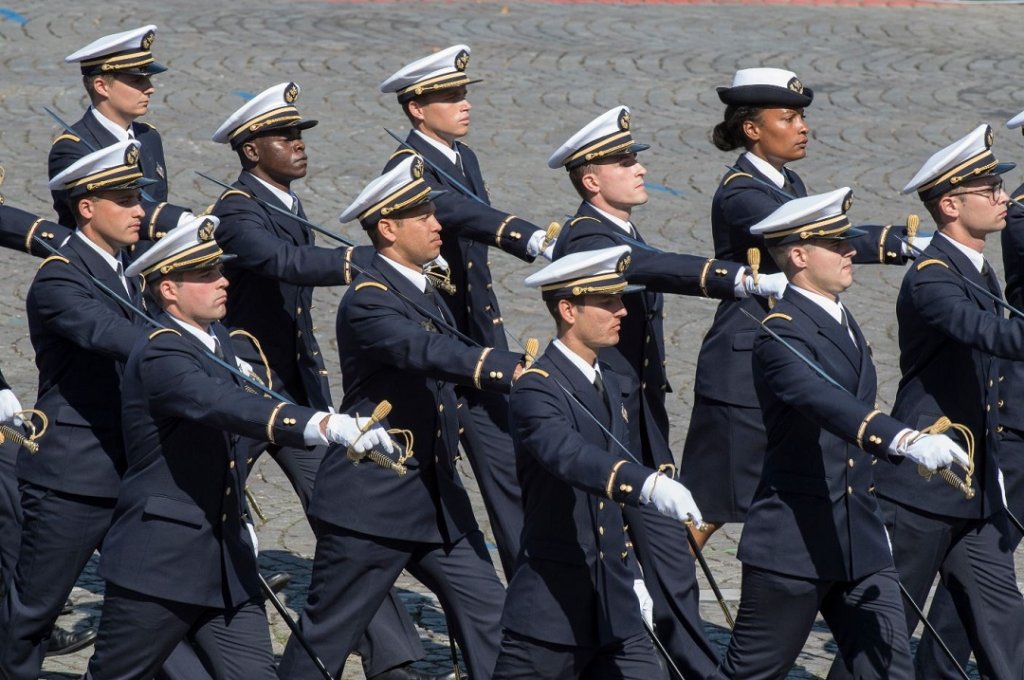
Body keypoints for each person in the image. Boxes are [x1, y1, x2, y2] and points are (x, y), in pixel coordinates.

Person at [81, 216, 390, 679]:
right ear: (169, 289)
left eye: (219, 271)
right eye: (206, 275)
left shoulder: (219, 342)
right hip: (162, 561)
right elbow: (221, 405)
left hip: (226, 558)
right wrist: (323, 423)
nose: (223, 281)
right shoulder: (161, 354)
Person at [547, 104, 784, 679]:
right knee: (609, 559)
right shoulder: (588, 237)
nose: (638, 168)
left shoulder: (618, 228)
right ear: (590, 180)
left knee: (668, 565)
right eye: (623, 161)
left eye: (635, 158)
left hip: (637, 419)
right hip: (602, 420)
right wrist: (740, 278)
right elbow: (652, 266)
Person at [210, 81, 435, 680]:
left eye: (301, 134)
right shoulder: (236, 210)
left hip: (297, 395)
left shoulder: (286, 203)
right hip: (243, 388)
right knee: (206, 506)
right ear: (252, 151)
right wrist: (367, 260)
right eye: (285, 137)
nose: (299, 145)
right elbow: (281, 264)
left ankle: (391, 661)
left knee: (348, 517)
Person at [278, 154, 521, 680]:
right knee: (327, 637)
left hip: (435, 498)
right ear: (387, 228)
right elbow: (424, 352)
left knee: (490, 612)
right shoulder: (369, 301)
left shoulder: (422, 286)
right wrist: (501, 368)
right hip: (372, 502)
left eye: (435, 213)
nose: (438, 224)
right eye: (423, 217)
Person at [712, 187, 968, 678]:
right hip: (793, 544)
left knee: (890, 668)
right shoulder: (780, 331)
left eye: (848, 242)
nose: (852, 250)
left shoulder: (837, 316)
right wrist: (904, 440)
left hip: (858, 538)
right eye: (838, 245)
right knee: (754, 671)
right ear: (800, 256)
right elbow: (825, 401)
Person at [680, 67, 926, 547]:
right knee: (706, 507)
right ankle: (647, 598)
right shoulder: (742, 193)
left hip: (787, 354)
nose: (803, 127)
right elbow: (810, 236)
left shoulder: (788, 182)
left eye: (801, 118)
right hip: (744, 367)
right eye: (788, 118)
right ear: (752, 129)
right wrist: (900, 243)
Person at [832, 124, 1024, 680]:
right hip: (921, 491)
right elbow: (983, 331)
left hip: (972, 490)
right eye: (988, 190)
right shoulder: (932, 278)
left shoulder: (975, 266)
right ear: (950, 204)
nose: (1002, 197)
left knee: (1003, 622)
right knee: (881, 637)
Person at [379, 45, 556, 574]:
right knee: (424, 482)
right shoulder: (405, 169)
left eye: (463, 94)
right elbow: (455, 212)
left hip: (479, 343)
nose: (464, 104)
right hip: (438, 345)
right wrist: (521, 234)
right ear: (416, 108)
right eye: (450, 96)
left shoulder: (463, 158)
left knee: (506, 471)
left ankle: (530, 587)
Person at [494, 244, 707, 680]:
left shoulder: (613, 380)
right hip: (552, 610)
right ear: (568, 310)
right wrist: (645, 484)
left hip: (614, 604)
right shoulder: (537, 389)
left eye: (619, 299)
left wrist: (634, 575)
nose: (621, 310)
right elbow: (568, 456)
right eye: (606, 301)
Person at [0, 140, 154, 678]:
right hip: (74, 470)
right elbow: (109, 334)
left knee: (154, 604)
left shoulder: (131, 271)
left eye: (139, 198)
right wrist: (187, 349)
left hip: (134, 467)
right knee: (33, 613)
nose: (140, 210)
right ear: (86, 208)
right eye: (125, 199)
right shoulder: (62, 277)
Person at [48, 25, 191, 236]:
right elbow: (104, 217)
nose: (150, 88)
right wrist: (180, 220)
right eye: (137, 80)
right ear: (101, 86)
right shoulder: (72, 148)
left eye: (148, 79)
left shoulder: (148, 137)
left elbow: (157, 200)